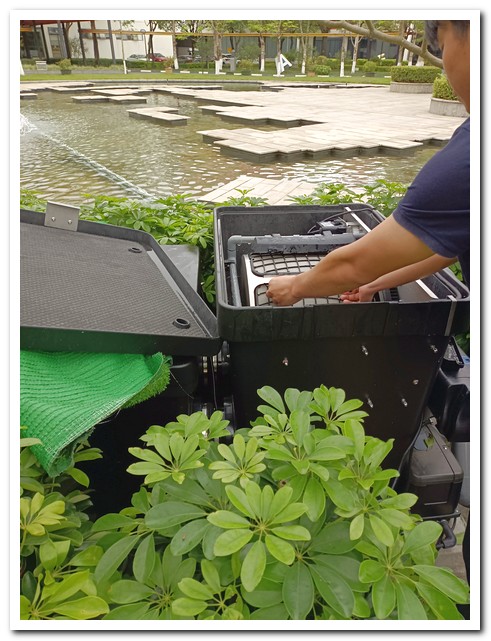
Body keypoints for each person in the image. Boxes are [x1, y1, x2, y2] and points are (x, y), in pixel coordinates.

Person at [266, 19, 471, 601]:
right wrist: (382, 280)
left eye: (438, 43)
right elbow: (446, 246)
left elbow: (351, 264)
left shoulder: (468, 157)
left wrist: (296, 289)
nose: (439, 59)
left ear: (466, 36)